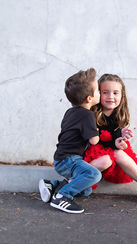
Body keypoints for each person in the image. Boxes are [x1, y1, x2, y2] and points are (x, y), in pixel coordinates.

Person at [84, 73, 137, 205]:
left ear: (122, 95)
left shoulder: (118, 115)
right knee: (110, 157)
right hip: (92, 153)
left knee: (119, 153)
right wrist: (113, 144)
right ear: (98, 93)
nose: (111, 97)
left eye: (115, 93)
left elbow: (113, 139)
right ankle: (73, 181)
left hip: (110, 153)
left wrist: (118, 141)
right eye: (105, 92)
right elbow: (92, 140)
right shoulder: (91, 114)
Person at [39, 68, 102, 214]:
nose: (99, 93)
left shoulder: (70, 112)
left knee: (85, 190)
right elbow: (93, 141)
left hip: (60, 158)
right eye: (98, 91)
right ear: (89, 98)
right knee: (94, 175)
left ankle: (54, 186)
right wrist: (96, 133)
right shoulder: (87, 115)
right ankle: (62, 196)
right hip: (70, 159)